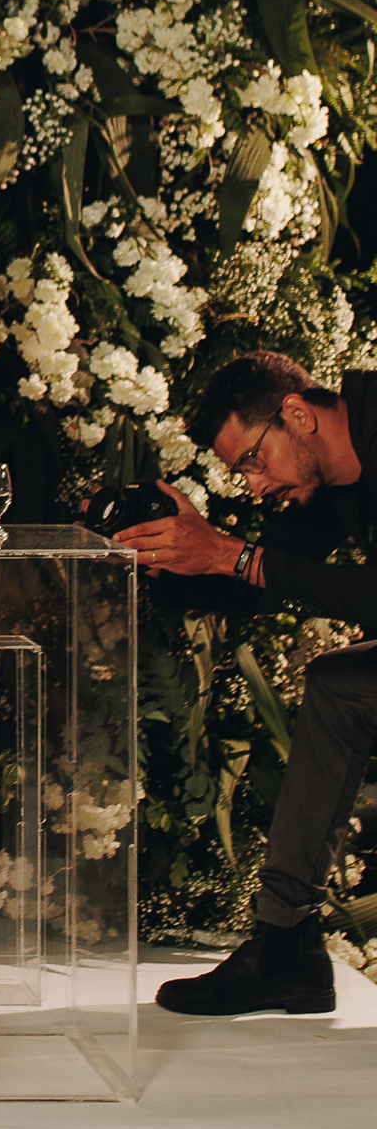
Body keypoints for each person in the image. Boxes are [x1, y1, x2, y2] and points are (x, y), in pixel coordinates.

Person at [118, 349, 377, 1018]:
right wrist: (171, 560)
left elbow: (264, 566)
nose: (255, 485)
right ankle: (286, 948)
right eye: (242, 473)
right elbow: (270, 577)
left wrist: (231, 555)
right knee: (341, 684)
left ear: (297, 414)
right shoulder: (327, 481)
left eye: (254, 461)